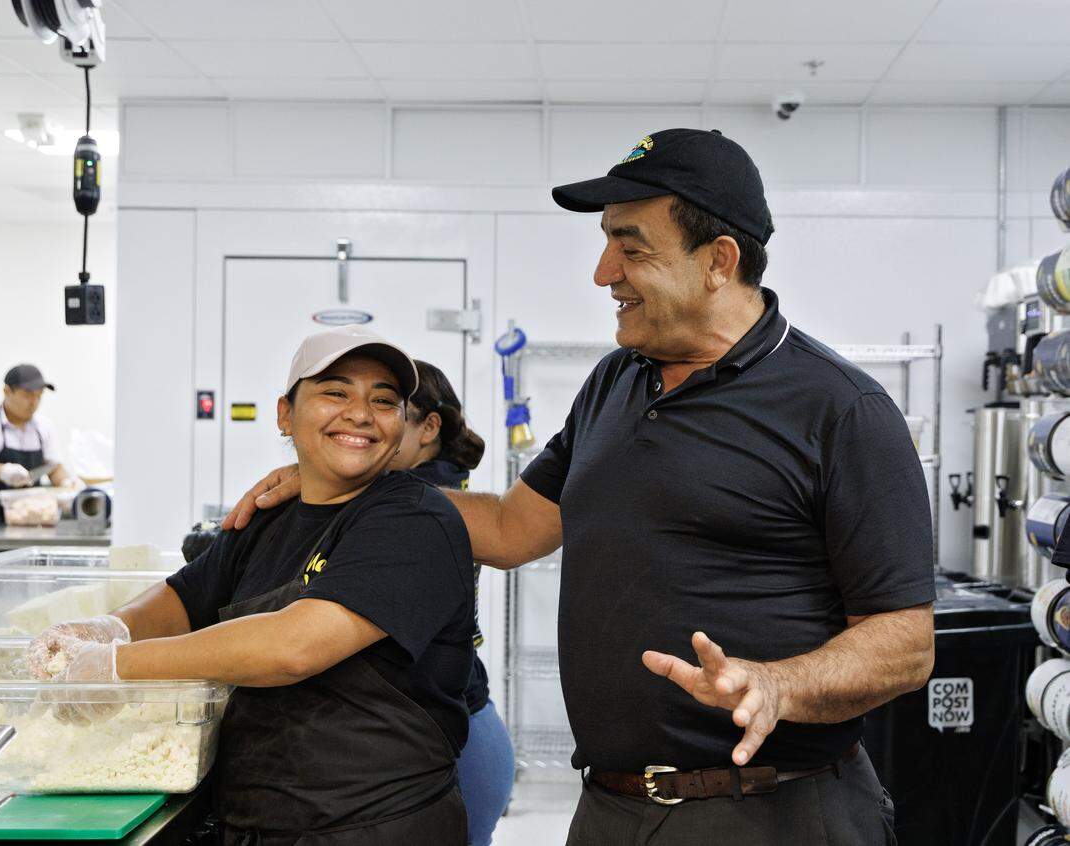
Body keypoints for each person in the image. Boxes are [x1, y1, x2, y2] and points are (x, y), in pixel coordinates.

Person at [224, 129, 936, 845]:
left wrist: (782, 685)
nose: (604, 273)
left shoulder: (840, 409)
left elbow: (904, 641)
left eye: (632, 247)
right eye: (606, 243)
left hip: (770, 809)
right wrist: (353, 483)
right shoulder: (615, 383)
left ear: (719, 260)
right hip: (610, 807)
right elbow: (509, 528)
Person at [29, 326, 476, 844]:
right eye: (336, 392)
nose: (360, 413)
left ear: (401, 426)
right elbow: (182, 597)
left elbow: (294, 646)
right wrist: (110, 629)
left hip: (372, 826)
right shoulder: (267, 518)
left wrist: (115, 666)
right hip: (259, 820)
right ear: (285, 414)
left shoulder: (414, 519)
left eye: (385, 401)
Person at [390, 360, 514, 846]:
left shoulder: (419, 498)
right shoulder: (448, 487)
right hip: (470, 724)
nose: (370, 420)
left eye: (390, 406)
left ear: (430, 427)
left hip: (462, 738)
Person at [0, 364, 76, 528]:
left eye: (39, 396)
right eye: (27, 395)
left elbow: (53, 467)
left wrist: (66, 485)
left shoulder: (44, 427)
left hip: (31, 526)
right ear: (7, 391)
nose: (34, 402)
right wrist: (0, 471)